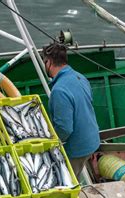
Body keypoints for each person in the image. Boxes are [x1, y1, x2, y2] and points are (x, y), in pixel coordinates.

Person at [42, 42, 100, 179]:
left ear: (48, 62)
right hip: (92, 140)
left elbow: (64, 129)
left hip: (77, 149)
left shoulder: (59, 91)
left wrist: (49, 146)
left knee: (68, 180)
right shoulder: (80, 77)